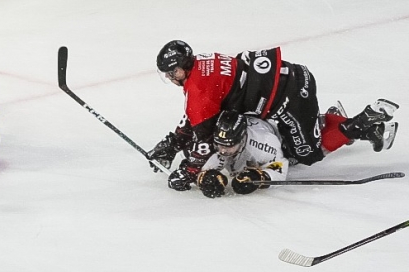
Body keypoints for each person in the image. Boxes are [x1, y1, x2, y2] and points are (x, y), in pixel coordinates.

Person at [149, 40, 399, 192]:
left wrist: (190, 170)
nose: (171, 78)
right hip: (285, 83)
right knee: (290, 143)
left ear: (184, 65)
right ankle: (328, 120)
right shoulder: (202, 64)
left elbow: (203, 135)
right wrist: (173, 143)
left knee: (307, 153)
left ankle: (365, 122)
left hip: (291, 96)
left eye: (173, 72)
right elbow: (198, 119)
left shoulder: (199, 89)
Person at [195, 111, 288, 198]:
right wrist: (205, 178)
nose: (223, 151)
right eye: (220, 145)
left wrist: (260, 177)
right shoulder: (210, 141)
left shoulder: (265, 143)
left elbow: (281, 164)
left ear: (242, 139)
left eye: (229, 146)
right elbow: (196, 167)